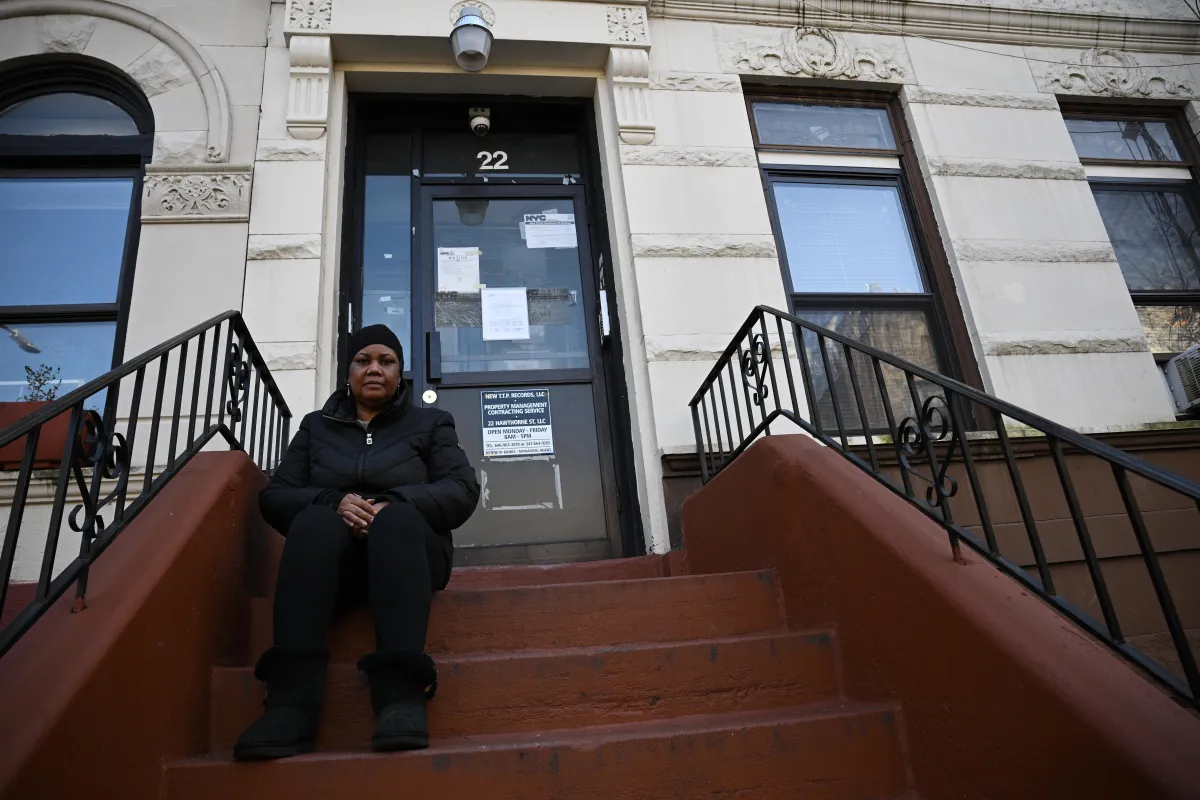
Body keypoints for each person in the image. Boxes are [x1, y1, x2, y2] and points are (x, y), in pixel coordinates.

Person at [233, 324, 480, 761]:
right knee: (314, 521)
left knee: (398, 521)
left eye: (386, 361)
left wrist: (392, 503)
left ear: (400, 372)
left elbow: (460, 489)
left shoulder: (432, 423)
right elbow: (275, 496)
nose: (374, 369)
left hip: (412, 556)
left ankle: (401, 697)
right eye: (363, 360)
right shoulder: (316, 427)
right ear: (347, 371)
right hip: (337, 566)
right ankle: (291, 703)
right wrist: (333, 502)